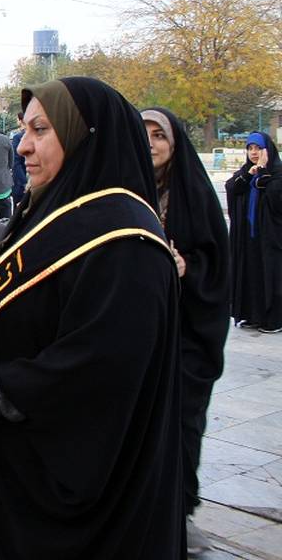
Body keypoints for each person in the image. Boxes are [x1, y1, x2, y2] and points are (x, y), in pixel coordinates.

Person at [0, 78, 183, 558]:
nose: (23, 146)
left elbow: (105, 365)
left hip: (74, 511)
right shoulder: (54, 211)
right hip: (10, 478)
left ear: (84, 135)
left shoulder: (126, 243)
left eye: (41, 130)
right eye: (22, 129)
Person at [142, 108, 230, 552]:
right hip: (142, 336)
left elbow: (217, 268)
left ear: (176, 143)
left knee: (180, 423)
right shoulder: (128, 192)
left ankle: (180, 509)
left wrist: (186, 267)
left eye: (160, 135)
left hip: (187, 337)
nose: (152, 142)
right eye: (144, 133)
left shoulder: (193, 196)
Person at [227, 131, 282, 332]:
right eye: (250, 148)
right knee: (251, 275)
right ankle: (252, 315)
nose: (253, 152)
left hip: (270, 238)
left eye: (258, 148)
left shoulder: (277, 173)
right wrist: (249, 175)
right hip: (248, 238)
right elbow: (232, 188)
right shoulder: (246, 172)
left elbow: (277, 200)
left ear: (267, 151)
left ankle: (273, 319)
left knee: (271, 276)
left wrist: (263, 174)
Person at [10, 111, 27, 202]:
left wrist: (24, 182)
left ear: (21, 120)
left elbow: (16, 162)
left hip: (21, 182)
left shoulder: (18, 137)